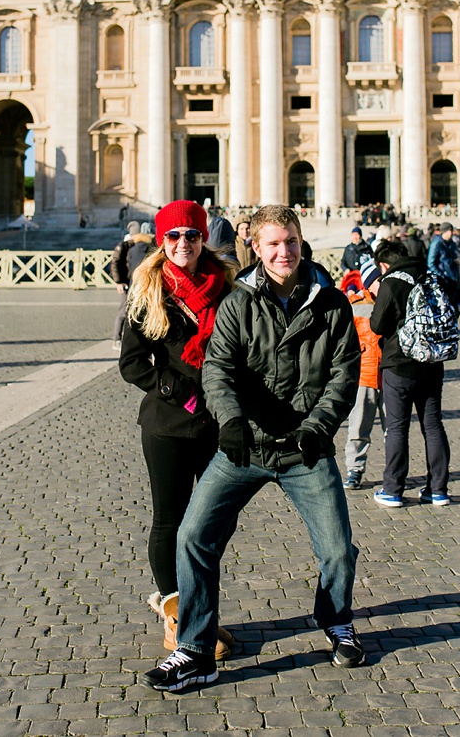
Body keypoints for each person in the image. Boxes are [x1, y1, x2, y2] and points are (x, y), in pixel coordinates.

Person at [142, 204, 363, 693]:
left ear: (301, 242)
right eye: (273, 244)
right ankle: (195, 649)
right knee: (192, 536)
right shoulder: (239, 301)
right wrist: (232, 420)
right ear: (256, 249)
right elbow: (218, 367)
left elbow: (345, 374)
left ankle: (336, 621)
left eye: (290, 241)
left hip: (307, 447)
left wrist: (318, 427)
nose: (283, 251)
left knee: (337, 549)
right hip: (248, 445)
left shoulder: (332, 302)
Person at [118, 200, 237, 661]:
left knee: (209, 524)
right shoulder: (148, 289)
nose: (182, 243)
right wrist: (169, 385)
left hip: (218, 423)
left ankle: (199, 609)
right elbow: (131, 362)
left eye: (191, 234)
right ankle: (176, 615)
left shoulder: (227, 286)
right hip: (168, 423)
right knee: (170, 520)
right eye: (173, 236)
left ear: (203, 237)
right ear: (160, 241)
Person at [368, 240, 451, 507]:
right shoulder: (433, 278)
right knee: (433, 425)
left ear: (383, 263)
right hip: (432, 362)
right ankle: (437, 489)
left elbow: (378, 325)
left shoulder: (391, 282)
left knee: (397, 427)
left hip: (399, 363)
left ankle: (393, 489)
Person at [341, 282, 384, 490]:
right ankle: (354, 469)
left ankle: (395, 472)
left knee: (393, 430)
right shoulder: (355, 304)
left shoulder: (392, 299)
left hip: (387, 375)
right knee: (358, 427)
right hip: (363, 375)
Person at [111, 220, 141, 347]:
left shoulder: (136, 245)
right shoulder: (124, 246)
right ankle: (116, 339)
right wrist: (119, 282)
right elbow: (115, 264)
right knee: (123, 311)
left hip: (132, 282)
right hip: (125, 283)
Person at [427, 222, 460, 300]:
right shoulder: (436, 244)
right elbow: (431, 263)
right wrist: (441, 276)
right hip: (443, 278)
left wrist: (456, 262)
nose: (453, 233)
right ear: (445, 231)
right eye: (451, 231)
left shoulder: (451, 243)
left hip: (452, 276)